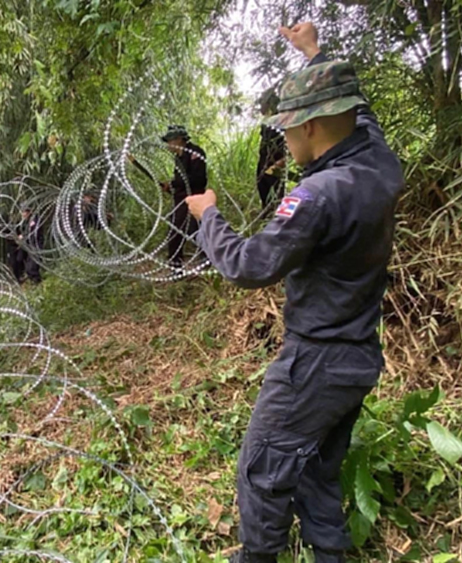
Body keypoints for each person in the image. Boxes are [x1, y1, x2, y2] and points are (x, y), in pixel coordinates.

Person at [184, 23, 404, 563]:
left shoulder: (317, 196)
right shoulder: (378, 161)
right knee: (315, 471)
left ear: (312, 127)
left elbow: (246, 264)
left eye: (288, 128)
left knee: (262, 471)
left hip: (314, 365)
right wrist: (315, 53)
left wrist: (207, 214)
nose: (283, 138)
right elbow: (363, 113)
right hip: (357, 358)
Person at [159, 125, 207, 267]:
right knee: (175, 230)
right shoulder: (178, 158)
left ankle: (207, 260)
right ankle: (175, 264)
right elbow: (181, 181)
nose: (168, 144)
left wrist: (175, 183)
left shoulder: (195, 153)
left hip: (194, 198)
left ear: (179, 139)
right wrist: (172, 186)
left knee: (196, 230)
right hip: (181, 199)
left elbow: (199, 179)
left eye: (170, 140)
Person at [256, 89, 288, 209]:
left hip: (277, 161)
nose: (261, 107)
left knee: (278, 193)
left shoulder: (281, 121)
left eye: (263, 103)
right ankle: (265, 214)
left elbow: (288, 144)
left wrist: (281, 163)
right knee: (262, 188)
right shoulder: (266, 123)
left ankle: (282, 220)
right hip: (264, 161)